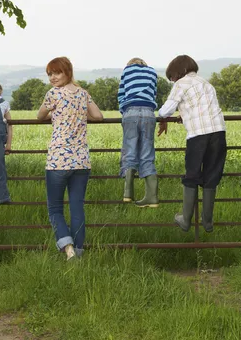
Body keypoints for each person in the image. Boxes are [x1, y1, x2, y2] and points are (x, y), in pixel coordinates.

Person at [37, 57, 104, 260]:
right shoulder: (83, 94)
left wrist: (56, 114)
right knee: (77, 207)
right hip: (81, 161)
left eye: (57, 72)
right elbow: (98, 116)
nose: (53, 77)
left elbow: (40, 116)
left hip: (58, 160)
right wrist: (79, 115)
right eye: (50, 74)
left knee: (55, 208)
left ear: (67, 72)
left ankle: (68, 249)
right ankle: (79, 252)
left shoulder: (53, 94)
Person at [158, 55, 227, 232]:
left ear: (178, 72)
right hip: (218, 132)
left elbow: (166, 109)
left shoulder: (182, 84)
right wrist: (185, 113)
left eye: (172, 77)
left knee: (192, 175)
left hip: (198, 135)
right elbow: (201, 107)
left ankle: (186, 219)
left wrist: (162, 116)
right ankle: (208, 221)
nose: (172, 81)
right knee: (212, 175)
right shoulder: (207, 84)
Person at [117, 57, 159, 207]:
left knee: (130, 148)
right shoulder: (152, 72)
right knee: (147, 152)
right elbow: (154, 94)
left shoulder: (127, 70)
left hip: (131, 111)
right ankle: (152, 197)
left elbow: (121, 94)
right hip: (149, 113)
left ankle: (128, 193)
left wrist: (125, 111)